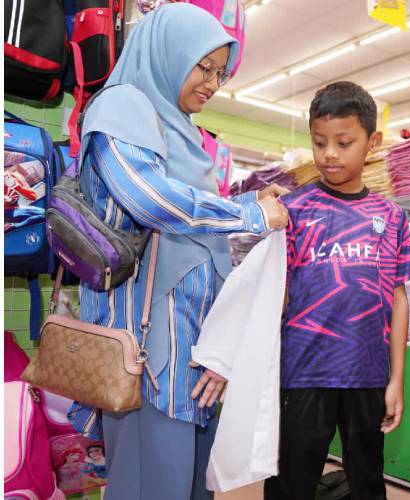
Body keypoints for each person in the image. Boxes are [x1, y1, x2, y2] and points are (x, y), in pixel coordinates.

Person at [66, 5, 288, 500]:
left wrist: (245, 205)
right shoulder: (122, 107)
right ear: (168, 54)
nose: (212, 83)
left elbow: (193, 225)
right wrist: (248, 217)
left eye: (219, 72)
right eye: (202, 67)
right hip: (147, 355)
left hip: (190, 348)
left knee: (188, 487)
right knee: (151, 485)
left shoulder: (180, 131)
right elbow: (149, 198)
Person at [264, 81, 410, 500]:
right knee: (292, 478)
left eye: (344, 142)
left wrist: (397, 379)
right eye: (319, 142)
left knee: (367, 478)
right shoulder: (293, 210)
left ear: (372, 143)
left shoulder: (390, 215)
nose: (329, 154)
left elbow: (399, 297)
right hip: (302, 371)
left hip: (366, 373)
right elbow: (275, 290)